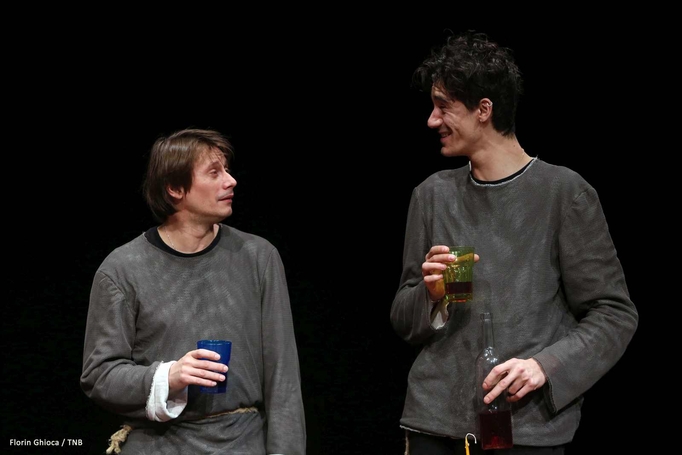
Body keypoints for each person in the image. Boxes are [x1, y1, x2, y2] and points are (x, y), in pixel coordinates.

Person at [389, 31, 638, 454]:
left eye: (443, 106)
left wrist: (546, 366)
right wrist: (431, 297)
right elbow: (404, 319)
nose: (431, 120)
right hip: (435, 424)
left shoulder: (564, 194)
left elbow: (614, 314)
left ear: (483, 110)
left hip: (523, 428)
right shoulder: (432, 196)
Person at [80, 128, 306, 454]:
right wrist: (168, 376)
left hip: (242, 443)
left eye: (227, 170)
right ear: (175, 188)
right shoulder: (122, 268)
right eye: (214, 173)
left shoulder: (258, 257)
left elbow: (283, 378)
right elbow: (99, 376)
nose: (231, 181)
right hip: (158, 445)